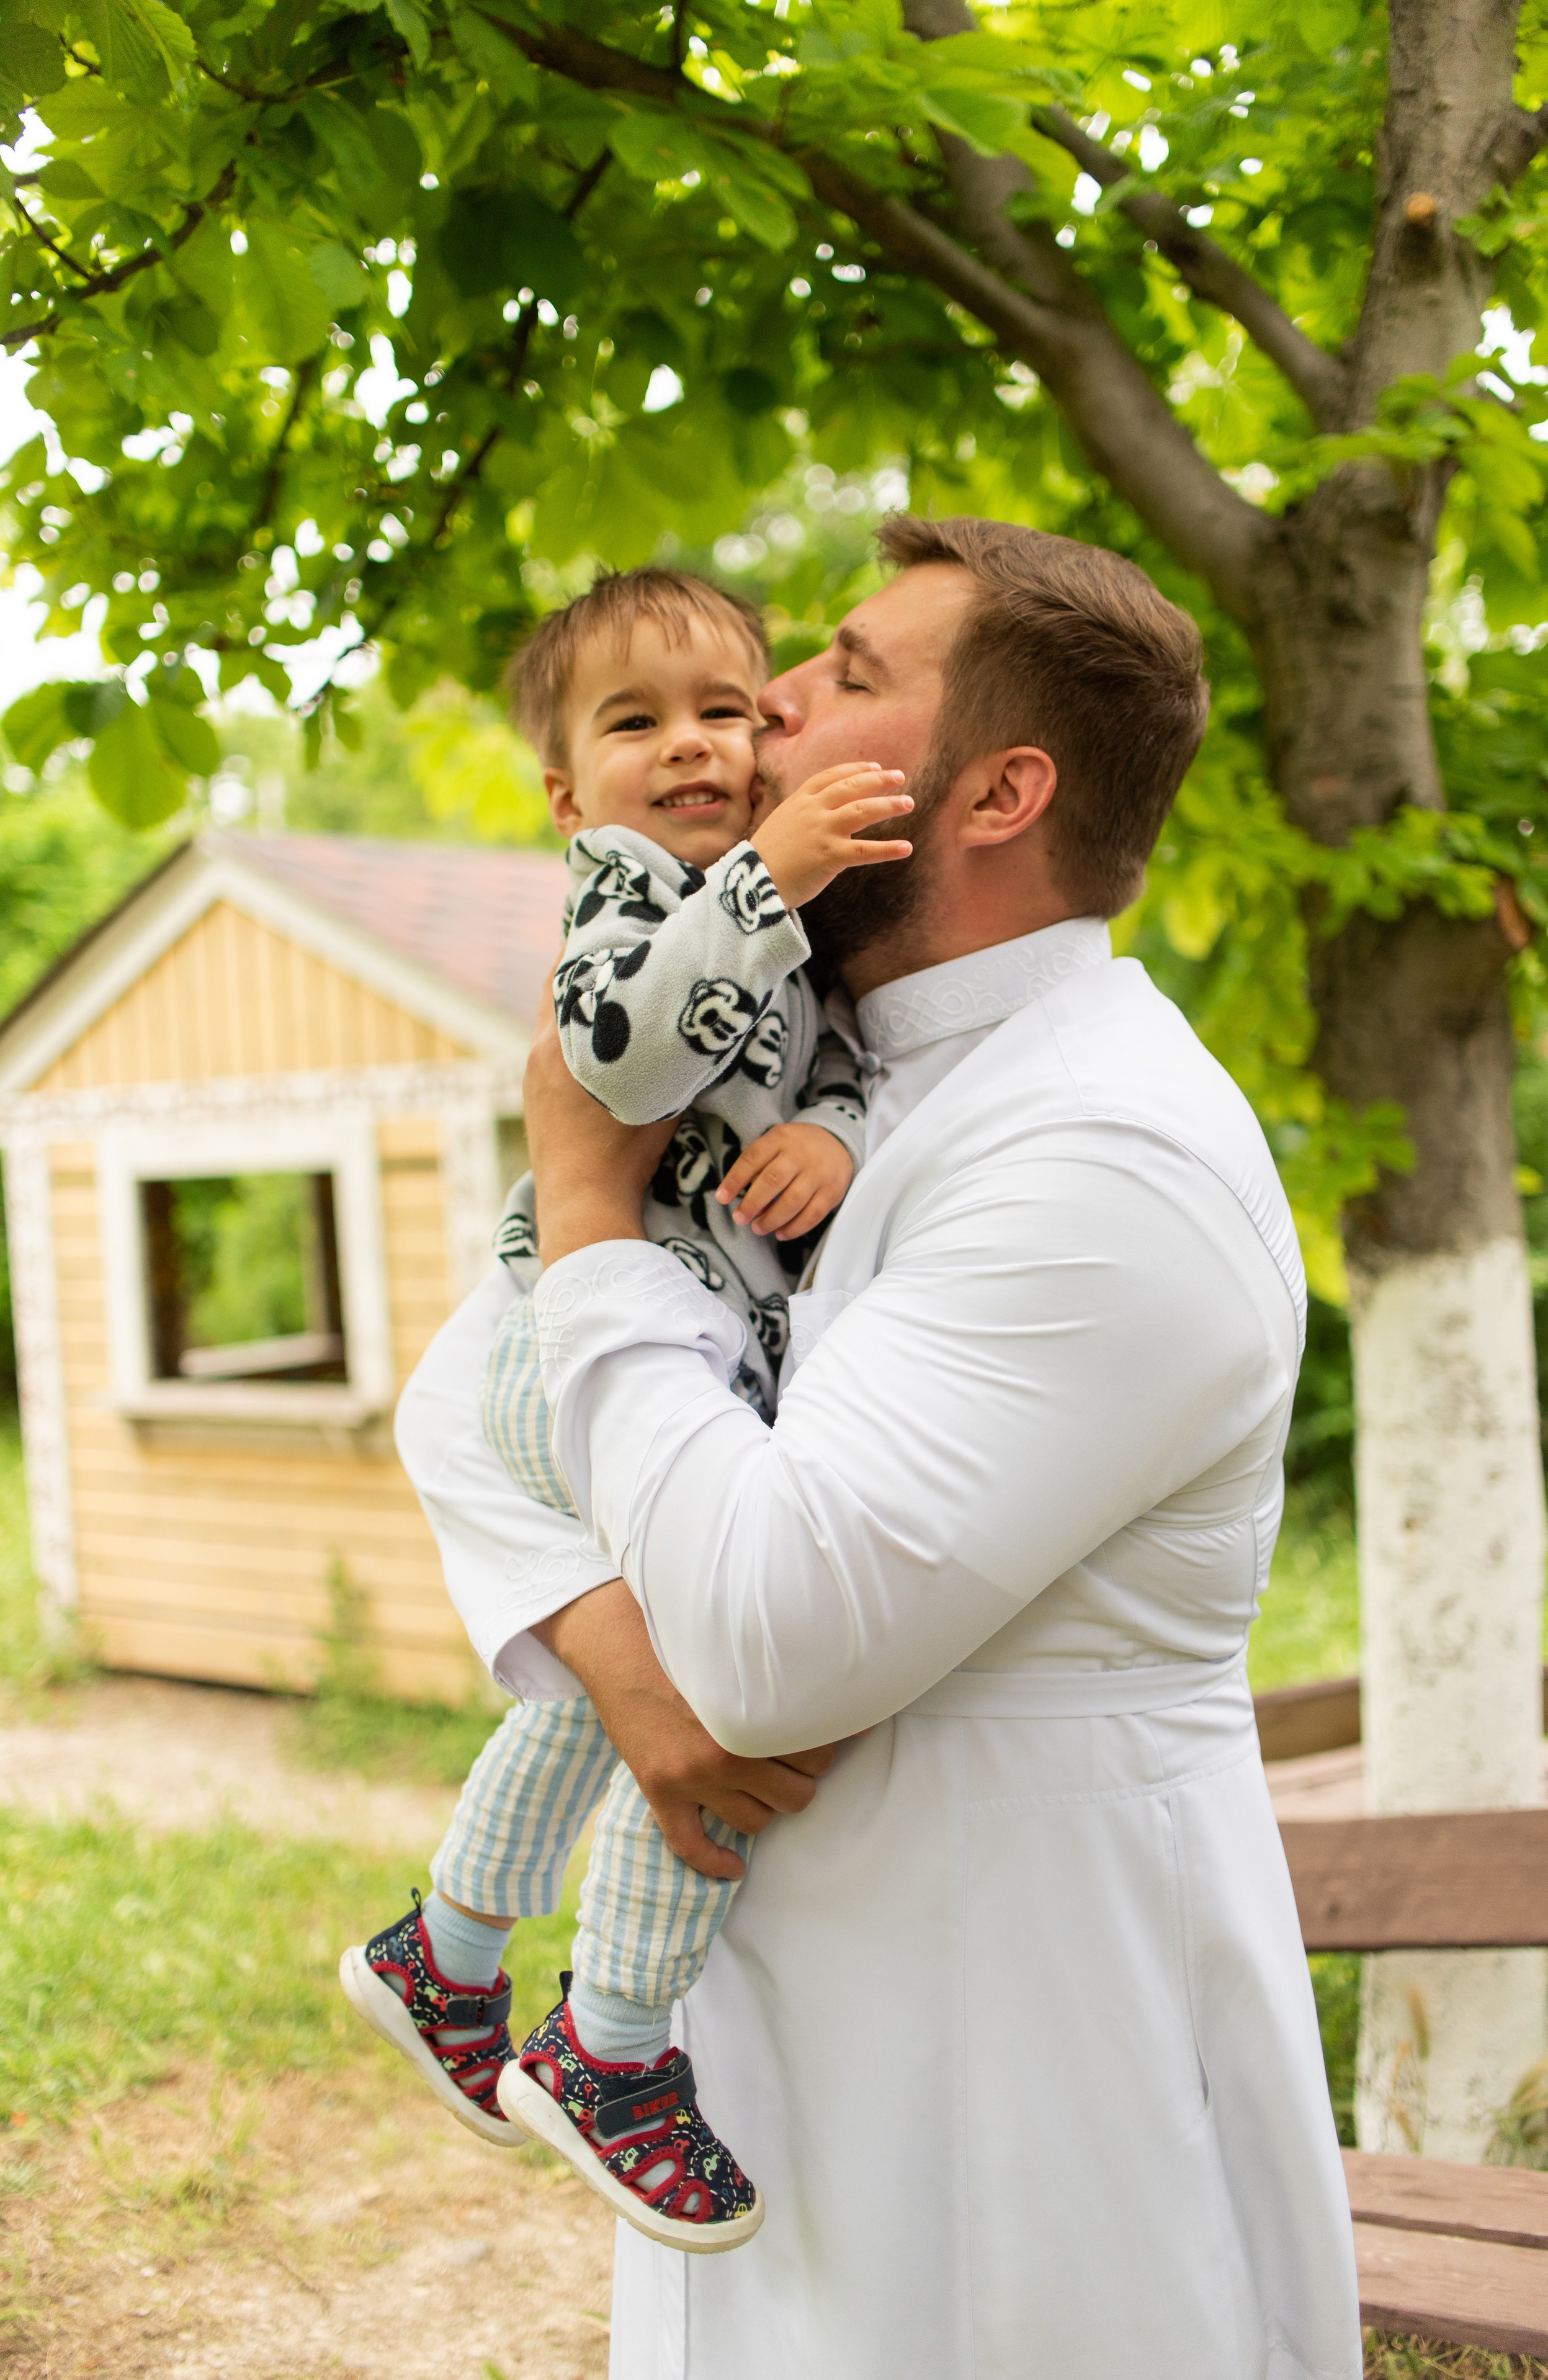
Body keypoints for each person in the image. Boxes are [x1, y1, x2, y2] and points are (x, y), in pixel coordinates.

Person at [399, 516, 1364, 2379]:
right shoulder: (817, 1051)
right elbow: (471, 1393)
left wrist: (592, 1212)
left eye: (846, 673)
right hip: (776, 2020)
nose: (768, 700)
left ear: (997, 789)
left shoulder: (1105, 1149)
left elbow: (768, 1640)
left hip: (1018, 2043)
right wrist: (614, 1658)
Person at [341, 567, 914, 2250]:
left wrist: (844, 1140)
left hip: (667, 1341)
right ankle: (611, 2039)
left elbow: (811, 1065)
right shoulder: (628, 907)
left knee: (611, 1703)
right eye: (636, 720)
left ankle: (445, 1952)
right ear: (565, 790)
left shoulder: (764, 915)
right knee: (712, 1679)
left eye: (729, 711)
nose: (694, 747)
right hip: (580, 1336)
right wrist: (771, 870)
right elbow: (633, 1062)